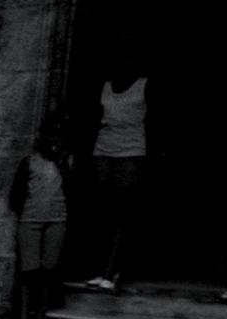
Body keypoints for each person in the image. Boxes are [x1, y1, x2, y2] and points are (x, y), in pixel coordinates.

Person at [77, 45, 151, 290]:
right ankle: (99, 269)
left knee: (122, 211)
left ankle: (112, 270)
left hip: (131, 151)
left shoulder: (143, 85)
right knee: (102, 211)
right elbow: (94, 118)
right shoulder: (106, 86)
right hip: (104, 149)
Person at [8, 116, 72, 319]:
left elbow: (72, 191)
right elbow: (16, 196)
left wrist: (63, 163)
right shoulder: (29, 162)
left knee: (47, 273)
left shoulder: (66, 162)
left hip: (57, 220)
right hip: (31, 221)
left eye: (58, 136)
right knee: (28, 274)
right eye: (50, 135)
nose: (54, 141)